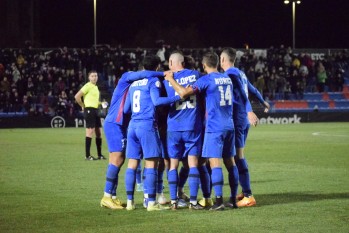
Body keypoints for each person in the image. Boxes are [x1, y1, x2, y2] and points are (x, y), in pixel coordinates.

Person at [165, 52, 238, 211]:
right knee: (231, 163)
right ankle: (233, 199)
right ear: (218, 63)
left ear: (204, 66)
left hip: (214, 127)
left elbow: (183, 93)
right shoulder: (227, 78)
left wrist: (170, 79)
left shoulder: (205, 79)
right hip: (229, 125)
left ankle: (218, 201)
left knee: (214, 163)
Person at [99, 69, 167, 210]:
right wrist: (164, 73)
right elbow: (145, 74)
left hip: (123, 125)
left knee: (120, 159)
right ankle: (106, 196)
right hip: (115, 123)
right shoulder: (126, 77)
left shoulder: (135, 84)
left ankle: (111, 196)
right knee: (117, 159)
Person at [123, 55, 180, 211]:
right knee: (151, 164)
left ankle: (129, 202)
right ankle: (151, 203)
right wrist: (176, 97)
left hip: (132, 126)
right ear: (156, 68)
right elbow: (156, 101)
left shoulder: (134, 83)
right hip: (146, 126)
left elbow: (126, 109)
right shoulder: (153, 81)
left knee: (132, 164)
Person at [220, 47, 270, 207]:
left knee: (238, 156)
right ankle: (244, 191)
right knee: (236, 156)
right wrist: (263, 102)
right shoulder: (240, 73)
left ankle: (248, 195)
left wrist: (249, 111)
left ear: (223, 60)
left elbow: (243, 93)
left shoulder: (230, 74)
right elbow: (253, 90)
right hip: (241, 119)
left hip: (237, 119)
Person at [163, 51, 209, 210]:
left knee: (173, 165)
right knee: (193, 164)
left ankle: (174, 201)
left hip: (174, 127)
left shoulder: (166, 80)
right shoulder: (196, 75)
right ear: (183, 62)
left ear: (170, 63)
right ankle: (193, 202)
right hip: (192, 126)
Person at [74, 71, 106, 161]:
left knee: (99, 132)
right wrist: (83, 106)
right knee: (90, 132)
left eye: (96, 76)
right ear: (89, 78)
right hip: (89, 110)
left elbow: (93, 101)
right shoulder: (87, 86)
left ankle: (99, 155)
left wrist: (101, 103)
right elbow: (77, 96)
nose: (94, 77)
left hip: (95, 110)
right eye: (92, 76)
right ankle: (87, 156)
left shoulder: (95, 87)